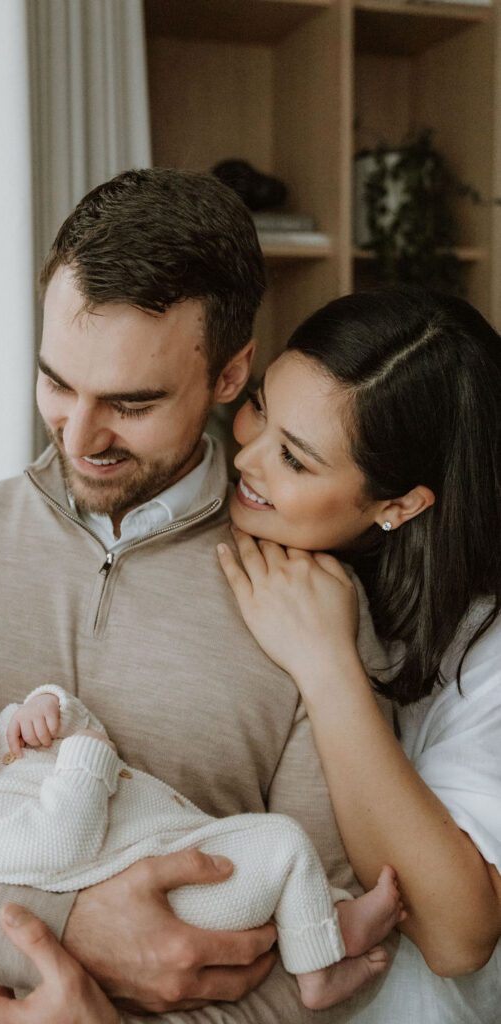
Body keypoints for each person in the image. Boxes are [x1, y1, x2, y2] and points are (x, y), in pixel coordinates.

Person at [0, 167, 391, 1024]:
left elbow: (326, 928)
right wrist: (67, 929)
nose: (81, 434)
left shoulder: (310, 607)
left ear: (229, 372)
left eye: (131, 403)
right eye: (58, 383)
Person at [0, 639, 405, 1013]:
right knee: (284, 843)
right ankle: (319, 966)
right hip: (172, 900)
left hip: (183, 843)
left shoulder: (5, 736)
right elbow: (63, 839)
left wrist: (49, 707)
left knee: (272, 852)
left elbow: (79, 724)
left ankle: (325, 924)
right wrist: (85, 752)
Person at [214, 287, 501, 1022]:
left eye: (295, 458)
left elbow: (457, 936)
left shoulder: (486, 650)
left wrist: (327, 668)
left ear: (398, 505)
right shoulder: (230, 502)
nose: (244, 454)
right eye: (258, 404)